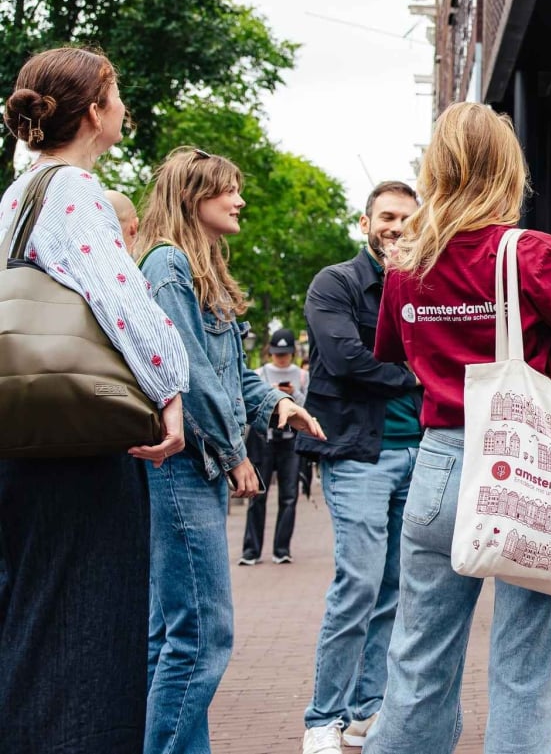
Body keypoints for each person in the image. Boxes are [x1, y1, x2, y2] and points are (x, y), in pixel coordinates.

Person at [367, 102, 551, 754]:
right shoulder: (529, 253)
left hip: (439, 465)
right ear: (506, 169)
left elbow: (396, 352)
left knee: (418, 665)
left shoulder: (404, 261)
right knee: (525, 671)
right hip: (521, 466)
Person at [0, 47, 189, 753]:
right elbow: (122, 300)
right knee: (93, 636)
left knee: (32, 626)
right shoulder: (76, 191)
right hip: (81, 446)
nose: (122, 106)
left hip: (25, 434)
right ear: (91, 111)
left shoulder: (15, 195)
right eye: (114, 93)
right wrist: (170, 390)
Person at [137, 146, 325, 754]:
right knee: (201, 635)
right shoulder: (168, 266)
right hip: (183, 469)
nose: (240, 200)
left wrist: (278, 405)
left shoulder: (196, 267)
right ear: (195, 198)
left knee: (175, 635)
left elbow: (229, 371)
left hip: (191, 467)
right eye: (228, 191)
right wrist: (234, 451)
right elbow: (184, 374)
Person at [298, 181, 425, 753]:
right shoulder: (337, 283)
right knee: (359, 583)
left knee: (396, 588)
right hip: (357, 456)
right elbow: (345, 358)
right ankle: (322, 718)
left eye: (406, 218)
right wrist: (419, 373)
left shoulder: (423, 285)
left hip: (418, 454)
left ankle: (367, 710)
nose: (396, 227)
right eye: (387, 217)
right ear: (366, 221)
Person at [239, 327, 308, 567]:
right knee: (257, 494)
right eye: (278, 353)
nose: (282, 358)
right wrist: (272, 397)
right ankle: (251, 550)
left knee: (289, 496)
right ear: (270, 353)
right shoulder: (259, 374)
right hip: (263, 441)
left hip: (290, 443)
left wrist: (292, 395)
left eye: (286, 353)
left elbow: (306, 407)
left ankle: (282, 549)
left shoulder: (301, 375)